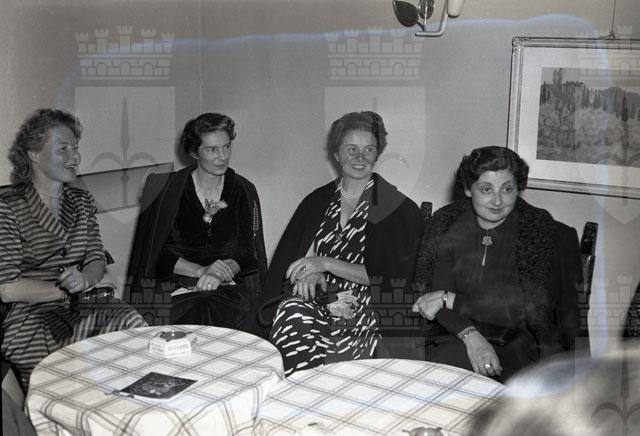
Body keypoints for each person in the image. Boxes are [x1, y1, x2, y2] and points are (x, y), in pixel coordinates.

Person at [266, 111, 424, 375]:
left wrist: (325, 263)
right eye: (351, 149)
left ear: (377, 154)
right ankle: (300, 390)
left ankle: (327, 390)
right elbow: (294, 260)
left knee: (340, 338)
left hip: (375, 307)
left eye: (368, 149)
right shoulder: (317, 201)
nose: (360, 157)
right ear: (336, 154)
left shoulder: (398, 209)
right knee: (292, 311)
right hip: (324, 298)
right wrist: (310, 273)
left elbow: (389, 277)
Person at [0, 109, 147, 386]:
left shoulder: (81, 200)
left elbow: (96, 258)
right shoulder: (8, 208)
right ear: (34, 155)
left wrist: (86, 279)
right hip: (32, 317)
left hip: (84, 307)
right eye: (63, 149)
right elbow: (8, 288)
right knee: (68, 379)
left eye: (76, 147)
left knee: (132, 327)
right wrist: (67, 290)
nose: (75, 156)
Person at [413, 146, 582, 381]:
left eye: (507, 189)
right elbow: (432, 301)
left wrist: (448, 299)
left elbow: (517, 312)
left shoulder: (538, 234)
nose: (497, 200)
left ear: (518, 189)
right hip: (455, 332)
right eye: (486, 189)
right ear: (468, 189)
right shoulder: (446, 227)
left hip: (520, 342)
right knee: (445, 370)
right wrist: (470, 336)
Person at [125, 113, 265, 328]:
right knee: (197, 312)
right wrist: (201, 271)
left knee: (216, 309)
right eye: (212, 150)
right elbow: (157, 255)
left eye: (227, 147)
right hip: (176, 285)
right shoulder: (168, 191)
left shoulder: (242, 189)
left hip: (229, 286)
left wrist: (219, 273)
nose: (222, 157)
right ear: (194, 152)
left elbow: (247, 252)